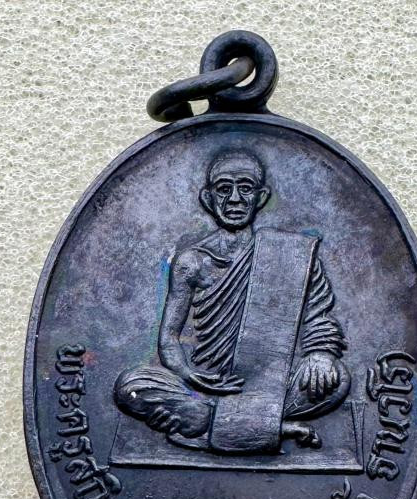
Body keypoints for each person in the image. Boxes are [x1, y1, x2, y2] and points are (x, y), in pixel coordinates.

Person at [115, 150, 350, 453]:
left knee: (336, 379)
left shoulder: (292, 254)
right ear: (208, 198)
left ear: (261, 197)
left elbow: (318, 317)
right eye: (224, 189)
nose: (235, 199)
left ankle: (213, 423)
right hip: (207, 386)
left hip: (271, 385)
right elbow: (169, 338)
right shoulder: (192, 262)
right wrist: (190, 376)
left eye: (246, 188)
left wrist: (320, 353)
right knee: (131, 387)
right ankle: (264, 425)